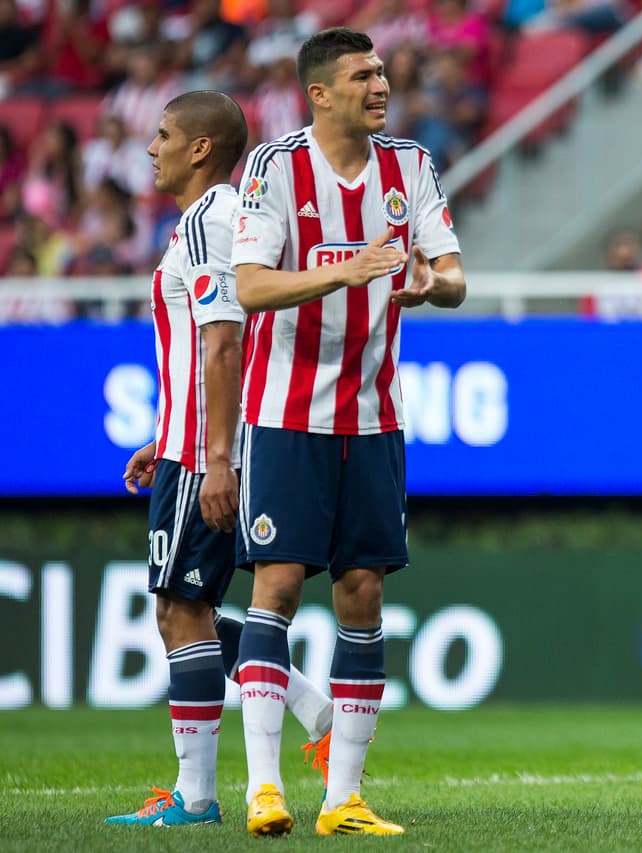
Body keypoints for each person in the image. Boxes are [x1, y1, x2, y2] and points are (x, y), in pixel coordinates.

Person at [231, 27, 466, 837]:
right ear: (319, 92)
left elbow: (455, 275)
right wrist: (344, 267)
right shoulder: (274, 167)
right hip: (283, 412)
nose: (382, 83)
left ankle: (344, 798)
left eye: (381, 71)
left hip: (372, 415)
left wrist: (433, 283)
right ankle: (265, 787)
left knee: (362, 591)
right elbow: (252, 286)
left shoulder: (409, 165)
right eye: (363, 74)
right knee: (278, 585)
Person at [106, 90, 331, 829]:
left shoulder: (210, 221)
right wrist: (169, 432)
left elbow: (224, 340)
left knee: (181, 607)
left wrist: (214, 457)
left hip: (204, 452)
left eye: (164, 134)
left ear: (201, 148)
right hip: (189, 439)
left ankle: (195, 797)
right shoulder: (216, 221)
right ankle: (305, 703)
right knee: (185, 604)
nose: (151, 147)